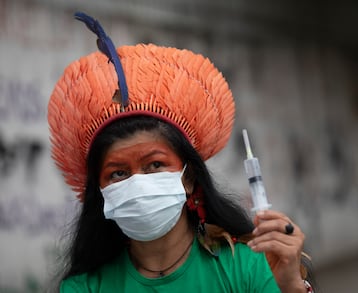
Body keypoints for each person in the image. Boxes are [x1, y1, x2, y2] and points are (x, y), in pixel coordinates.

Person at [48, 12, 315, 293]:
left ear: (188, 178)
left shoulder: (245, 267)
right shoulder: (85, 288)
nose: (138, 182)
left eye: (154, 165)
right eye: (118, 173)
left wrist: (289, 286)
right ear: (100, 191)